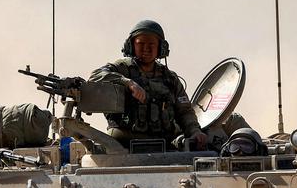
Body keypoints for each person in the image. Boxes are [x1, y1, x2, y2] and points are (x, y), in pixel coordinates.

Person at [89, 20, 208, 149]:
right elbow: (96, 76)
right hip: (123, 146)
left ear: (161, 48)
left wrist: (195, 131)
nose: (146, 48)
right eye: (141, 44)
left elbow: (185, 111)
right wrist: (127, 82)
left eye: (152, 44)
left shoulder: (169, 78)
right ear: (131, 46)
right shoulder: (123, 68)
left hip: (165, 146)